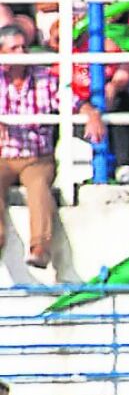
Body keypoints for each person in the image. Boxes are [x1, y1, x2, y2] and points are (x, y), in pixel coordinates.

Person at [0, 20, 58, 268]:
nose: (21, 53)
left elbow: (71, 101)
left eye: (23, 48)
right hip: (4, 155)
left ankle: (40, 248)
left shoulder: (44, 77)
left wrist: (89, 111)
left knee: (38, 187)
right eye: (14, 49)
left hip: (37, 155)